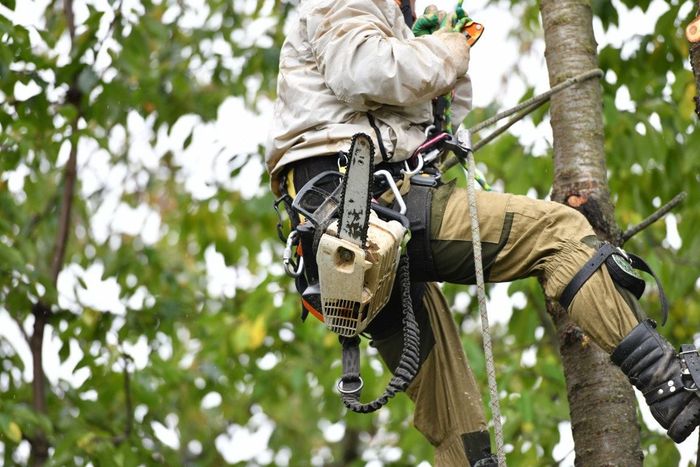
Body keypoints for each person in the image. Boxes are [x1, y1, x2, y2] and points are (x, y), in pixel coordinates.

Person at [265, 0, 700, 465]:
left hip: (356, 236)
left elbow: (432, 109)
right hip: (362, 204)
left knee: (454, 410)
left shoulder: (389, 21)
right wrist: (444, 48)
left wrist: (438, 54)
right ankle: (673, 385)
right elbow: (363, 71)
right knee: (560, 233)